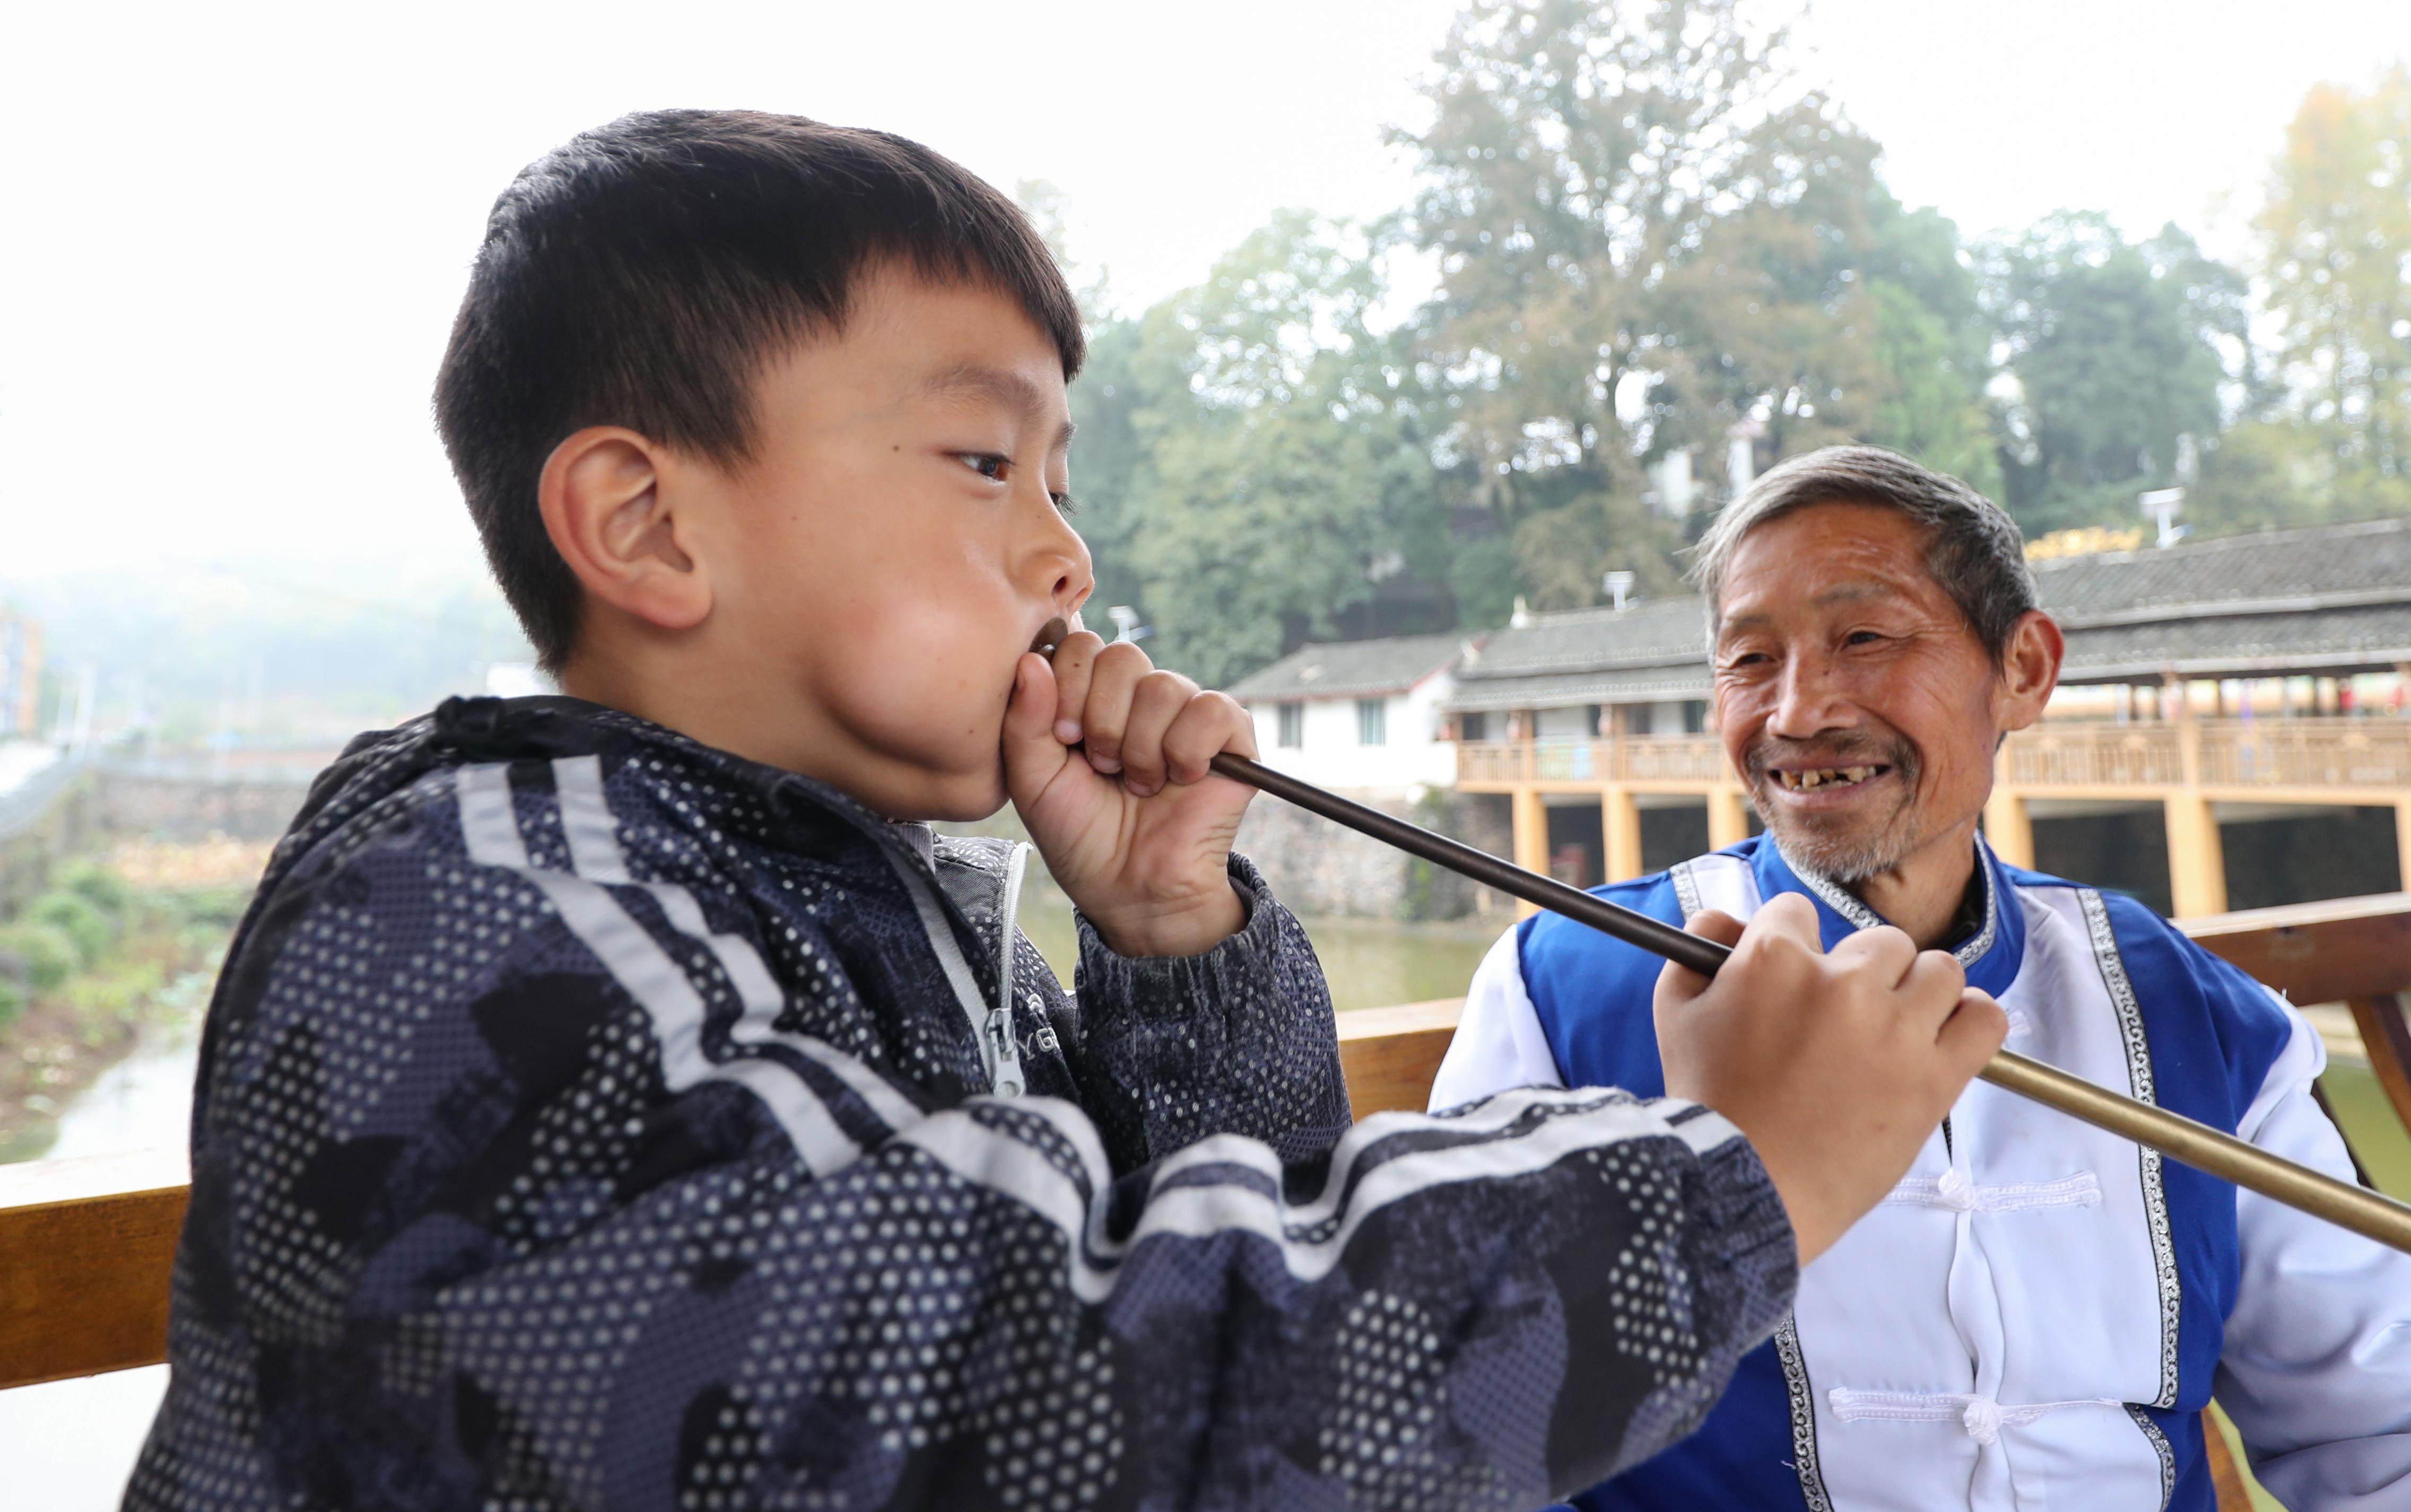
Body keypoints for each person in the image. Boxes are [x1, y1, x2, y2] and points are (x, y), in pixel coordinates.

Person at [125, 116, 2004, 1512]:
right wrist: (1726, 1171)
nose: (1063, 547)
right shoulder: (478, 910)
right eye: (977, 458)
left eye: (1054, 471)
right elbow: (1047, 1397)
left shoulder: (862, 898)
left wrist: (1175, 957)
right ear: (647, 525)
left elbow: (1209, 1234)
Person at [1431, 446, 2411, 1512]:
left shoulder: (2197, 1015)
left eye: (1863, 638)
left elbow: (2374, 1426)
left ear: (2023, 669)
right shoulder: (1562, 988)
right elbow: (1455, 1432)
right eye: (1749, 660)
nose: (1798, 714)